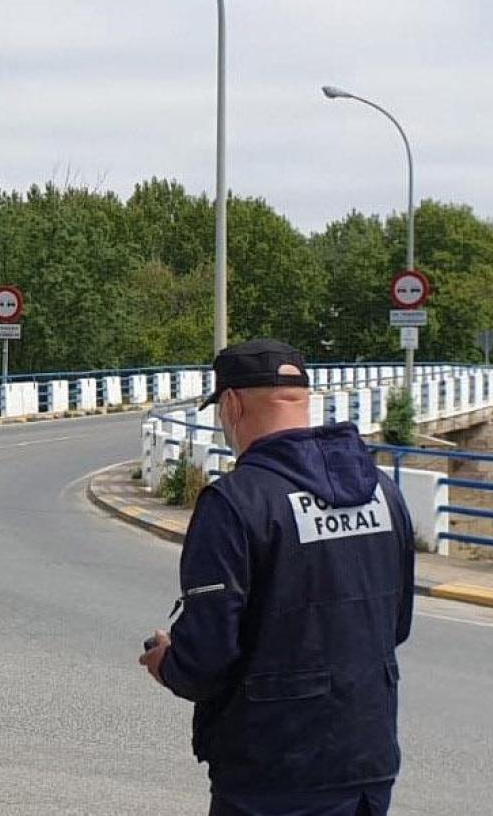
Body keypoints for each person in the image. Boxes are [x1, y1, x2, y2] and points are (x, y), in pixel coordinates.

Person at [142, 340, 416, 816]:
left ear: (231, 404)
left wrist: (169, 661)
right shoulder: (382, 492)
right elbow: (396, 624)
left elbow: (207, 660)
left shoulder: (235, 503)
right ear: (304, 401)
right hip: (367, 758)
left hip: (273, 769)